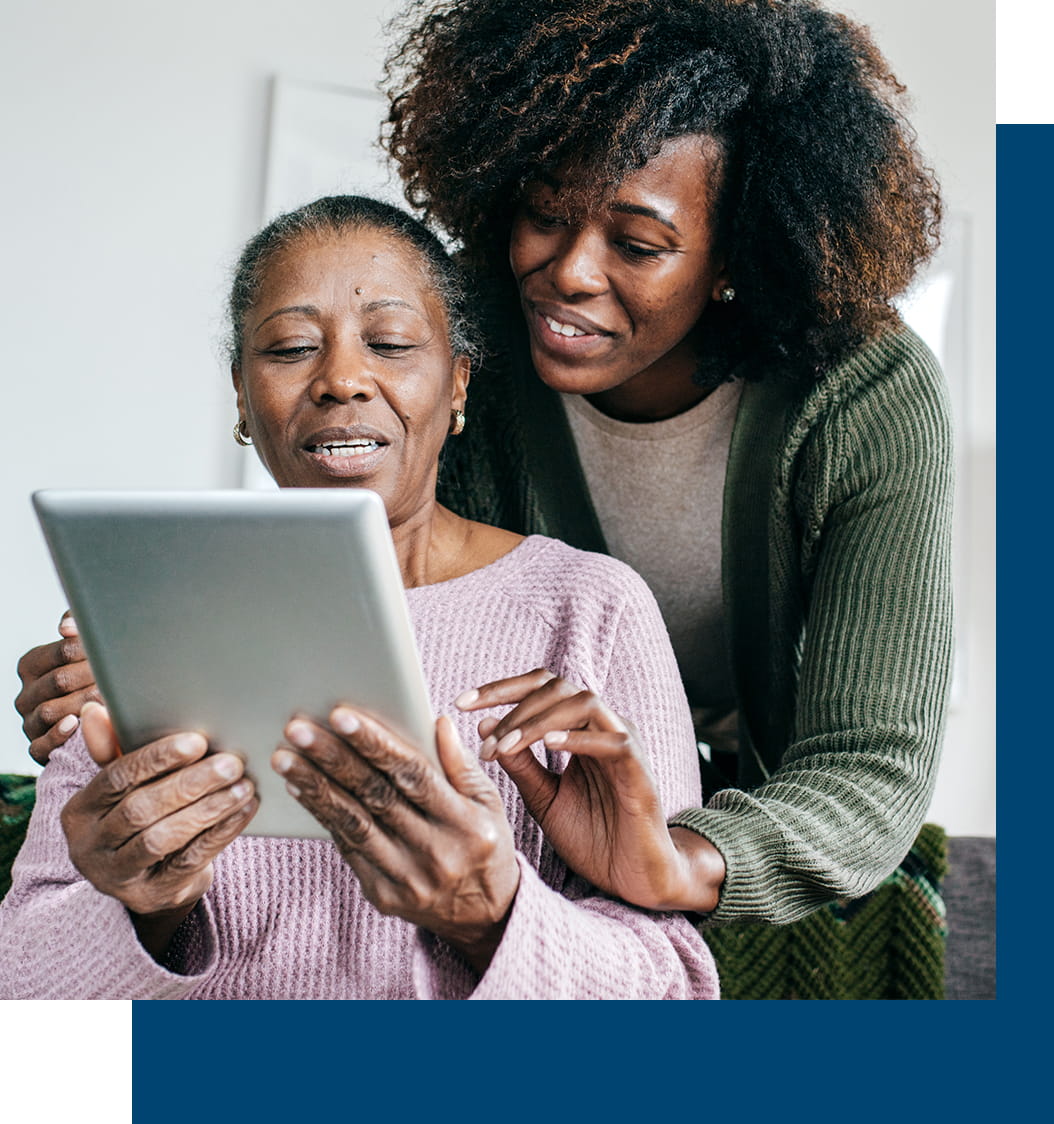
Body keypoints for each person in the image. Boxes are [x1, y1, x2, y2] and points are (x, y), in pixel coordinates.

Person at [15, 0, 953, 928]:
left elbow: (869, 762)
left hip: (756, 826)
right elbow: (378, 616)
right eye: (544, 215)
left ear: (734, 257)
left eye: (637, 244)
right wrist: (142, 682)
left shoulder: (861, 393)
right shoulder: (462, 350)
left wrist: (680, 861)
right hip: (545, 833)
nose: (570, 273)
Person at [0, 195, 718, 1000]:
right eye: (293, 347)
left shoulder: (589, 607)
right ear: (242, 393)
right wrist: (136, 908)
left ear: (458, 384)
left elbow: (674, 1000)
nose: (342, 378)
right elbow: (24, 1011)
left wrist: (490, 914)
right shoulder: (145, 609)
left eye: (391, 342)